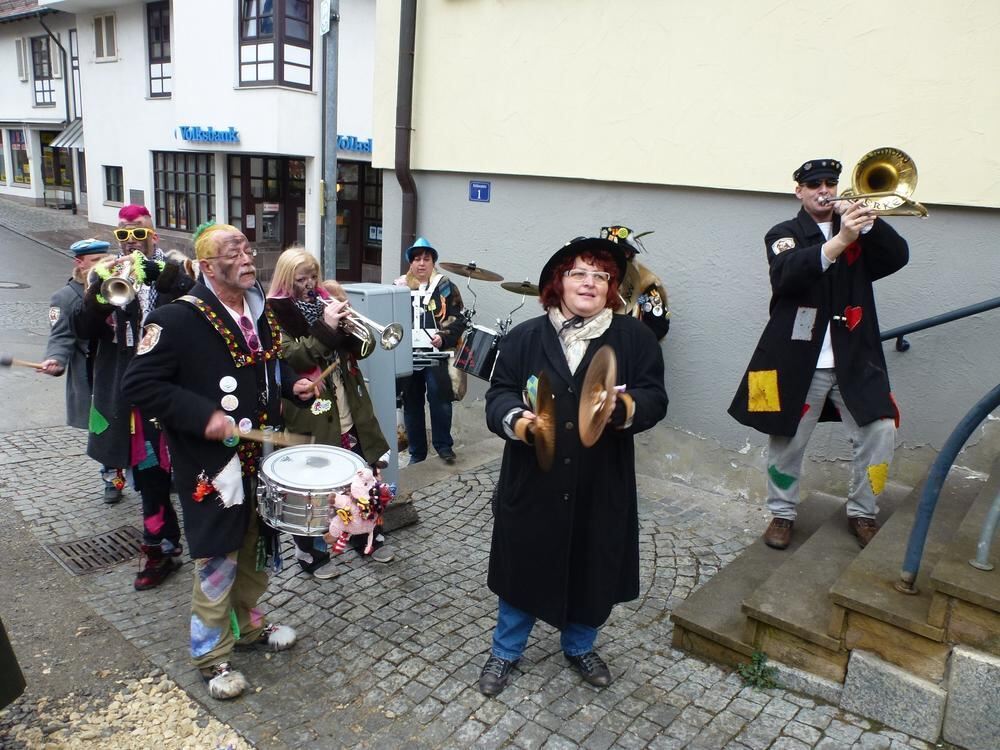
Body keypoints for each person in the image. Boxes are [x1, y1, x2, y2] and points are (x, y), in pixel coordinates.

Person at [122, 222, 317, 700]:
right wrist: (202, 415)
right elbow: (139, 386)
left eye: (249, 249)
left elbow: (271, 363)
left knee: (254, 549)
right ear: (207, 265)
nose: (248, 258)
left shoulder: (260, 311)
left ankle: (249, 627)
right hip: (214, 465)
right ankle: (210, 655)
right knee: (216, 559)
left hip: (263, 457)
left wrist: (292, 383)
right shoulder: (175, 319)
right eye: (235, 252)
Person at [478, 236, 668, 697]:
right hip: (533, 479)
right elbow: (498, 394)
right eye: (579, 273)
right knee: (522, 566)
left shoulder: (634, 339)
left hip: (600, 480)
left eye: (600, 275)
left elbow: (655, 398)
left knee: (593, 563)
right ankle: (505, 650)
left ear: (613, 287)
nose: (589, 283)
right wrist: (517, 422)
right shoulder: (525, 337)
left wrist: (622, 407)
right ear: (558, 283)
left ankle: (579, 645)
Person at [728, 158, 909, 551]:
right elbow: (788, 274)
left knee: (880, 430)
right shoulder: (785, 233)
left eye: (830, 183)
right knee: (786, 441)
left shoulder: (861, 231)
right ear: (799, 191)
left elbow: (898, 258)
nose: (824, 190)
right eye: (814, 185)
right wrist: (841, 239)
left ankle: (863, 511)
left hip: (854, 360)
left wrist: (870, 224)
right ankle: (781, 513)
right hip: (797, 360)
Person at [72, 205, 194, 590]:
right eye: (123, 233)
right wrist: (98, 295)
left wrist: (168, 279)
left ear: (154, 235)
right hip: (132, 393)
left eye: (138, 231)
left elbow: (197, 313)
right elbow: (82, 329)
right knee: (149, 471)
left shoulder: (177, 271)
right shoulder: (105, 273)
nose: (130, 239)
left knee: (190, 470)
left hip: (174, 384)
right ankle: (159, 545)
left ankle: (206, 541)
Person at [267, 248, 394, 575]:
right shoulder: (276, 311)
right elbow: (295, 356)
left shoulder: (326, 298)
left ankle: (366, 537)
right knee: (314, 487)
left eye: (313, 275)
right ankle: (311, 552)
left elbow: (361, 352)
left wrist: (352, 328)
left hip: (348, 402)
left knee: (363, 476)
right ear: (286, 278)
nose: (309, 283)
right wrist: (326, 326)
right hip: (311, 410)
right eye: (301, 278)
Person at [37, 239, 126, 503]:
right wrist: (55, 359)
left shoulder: (117, 284)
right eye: (96, 260)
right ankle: (112, 478)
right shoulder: (65, 297)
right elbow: (61, 335)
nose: (103, 264)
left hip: (120, 366)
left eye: (105, 257)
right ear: (80, 263)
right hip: (92, 373)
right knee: (102, 427)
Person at [394, 237, 465, 465]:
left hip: (436, 353)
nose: (422, 263)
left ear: (433, 262)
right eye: (417, 259)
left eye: (427, 259)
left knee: (440, 398)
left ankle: (443, 446)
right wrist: (397, 295)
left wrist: (442, 337)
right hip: (408, 354)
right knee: (412, 403)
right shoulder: (399, 287)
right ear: (411, 263)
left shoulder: (445, 286)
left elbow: (457, 319)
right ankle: (417, 452)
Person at [599, 225, 671, 340]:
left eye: (617, 251)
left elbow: (659, 326)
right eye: (605, 252)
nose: (610, 257)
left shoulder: (645, 283)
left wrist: (632, 345)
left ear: (628, 254)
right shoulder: (589, 281)